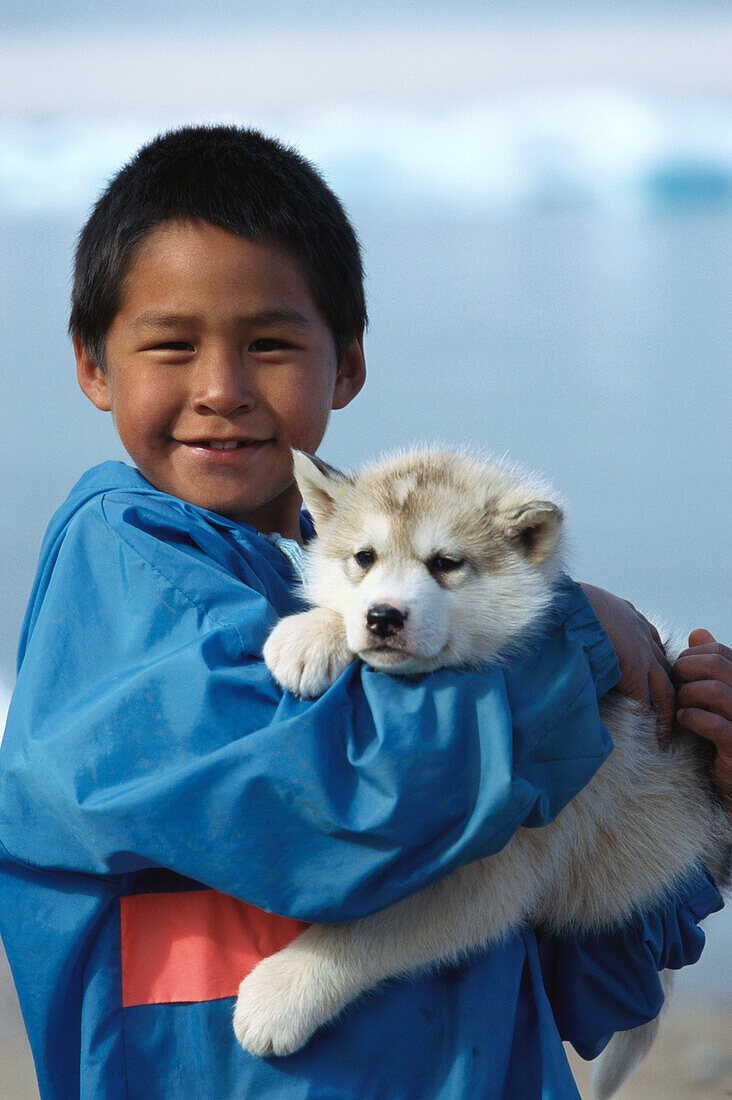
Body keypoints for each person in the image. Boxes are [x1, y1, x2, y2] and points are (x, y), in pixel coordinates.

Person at [0, 125, 726, 1100]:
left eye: (269, 343)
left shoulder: (389, 600)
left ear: (345, 364)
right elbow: (326, 809)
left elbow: (567, 961)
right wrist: (574, 639)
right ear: (93, 365)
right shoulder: (121, 567)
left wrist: (693, 800)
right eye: (171, 345)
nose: (220, 389)